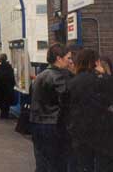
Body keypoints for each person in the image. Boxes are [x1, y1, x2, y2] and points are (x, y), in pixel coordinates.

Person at [30, 43, 73, 172]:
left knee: (42, 163)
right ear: (59, 58)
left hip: (36, 123)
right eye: (68, 58)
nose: (70, 61)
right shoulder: (60, 77)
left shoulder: (40, 76)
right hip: (53, 125)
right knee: (57, 163)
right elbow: (66, 102)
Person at [0, 53, 16, 119]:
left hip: (0, 87)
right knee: (7, 101)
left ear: (0, 59)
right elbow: (12, 77)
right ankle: (6, 114)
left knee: (1, 100)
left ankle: (3, 114)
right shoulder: (9, 67)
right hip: (8, 87)